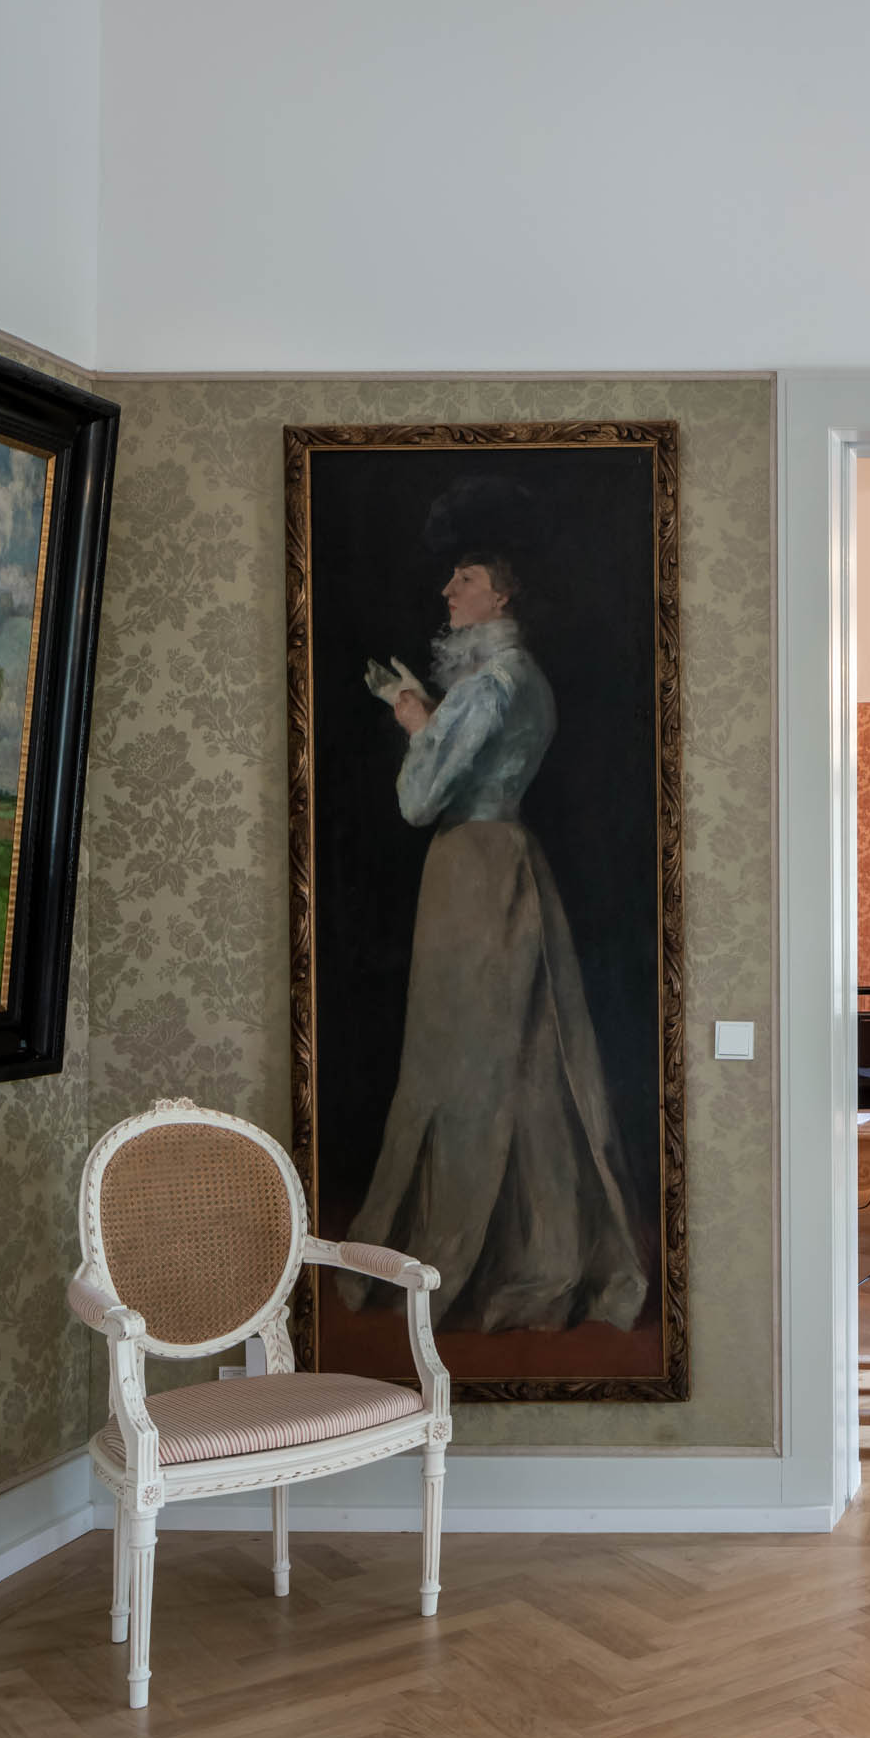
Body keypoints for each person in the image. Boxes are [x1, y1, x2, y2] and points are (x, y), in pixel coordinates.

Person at [336, 549, 647, 1333]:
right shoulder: (526, 681)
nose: (448, 589)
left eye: (465, 579)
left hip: (472, 871)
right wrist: (435, 718)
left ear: (502, 594)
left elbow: (419, 799)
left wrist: (413, 721)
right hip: (509, 859)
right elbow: (476, 760)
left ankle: (475, 1253)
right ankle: (542, 1240)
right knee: (526, 1053)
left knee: (463, 1060)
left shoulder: (492, 683)